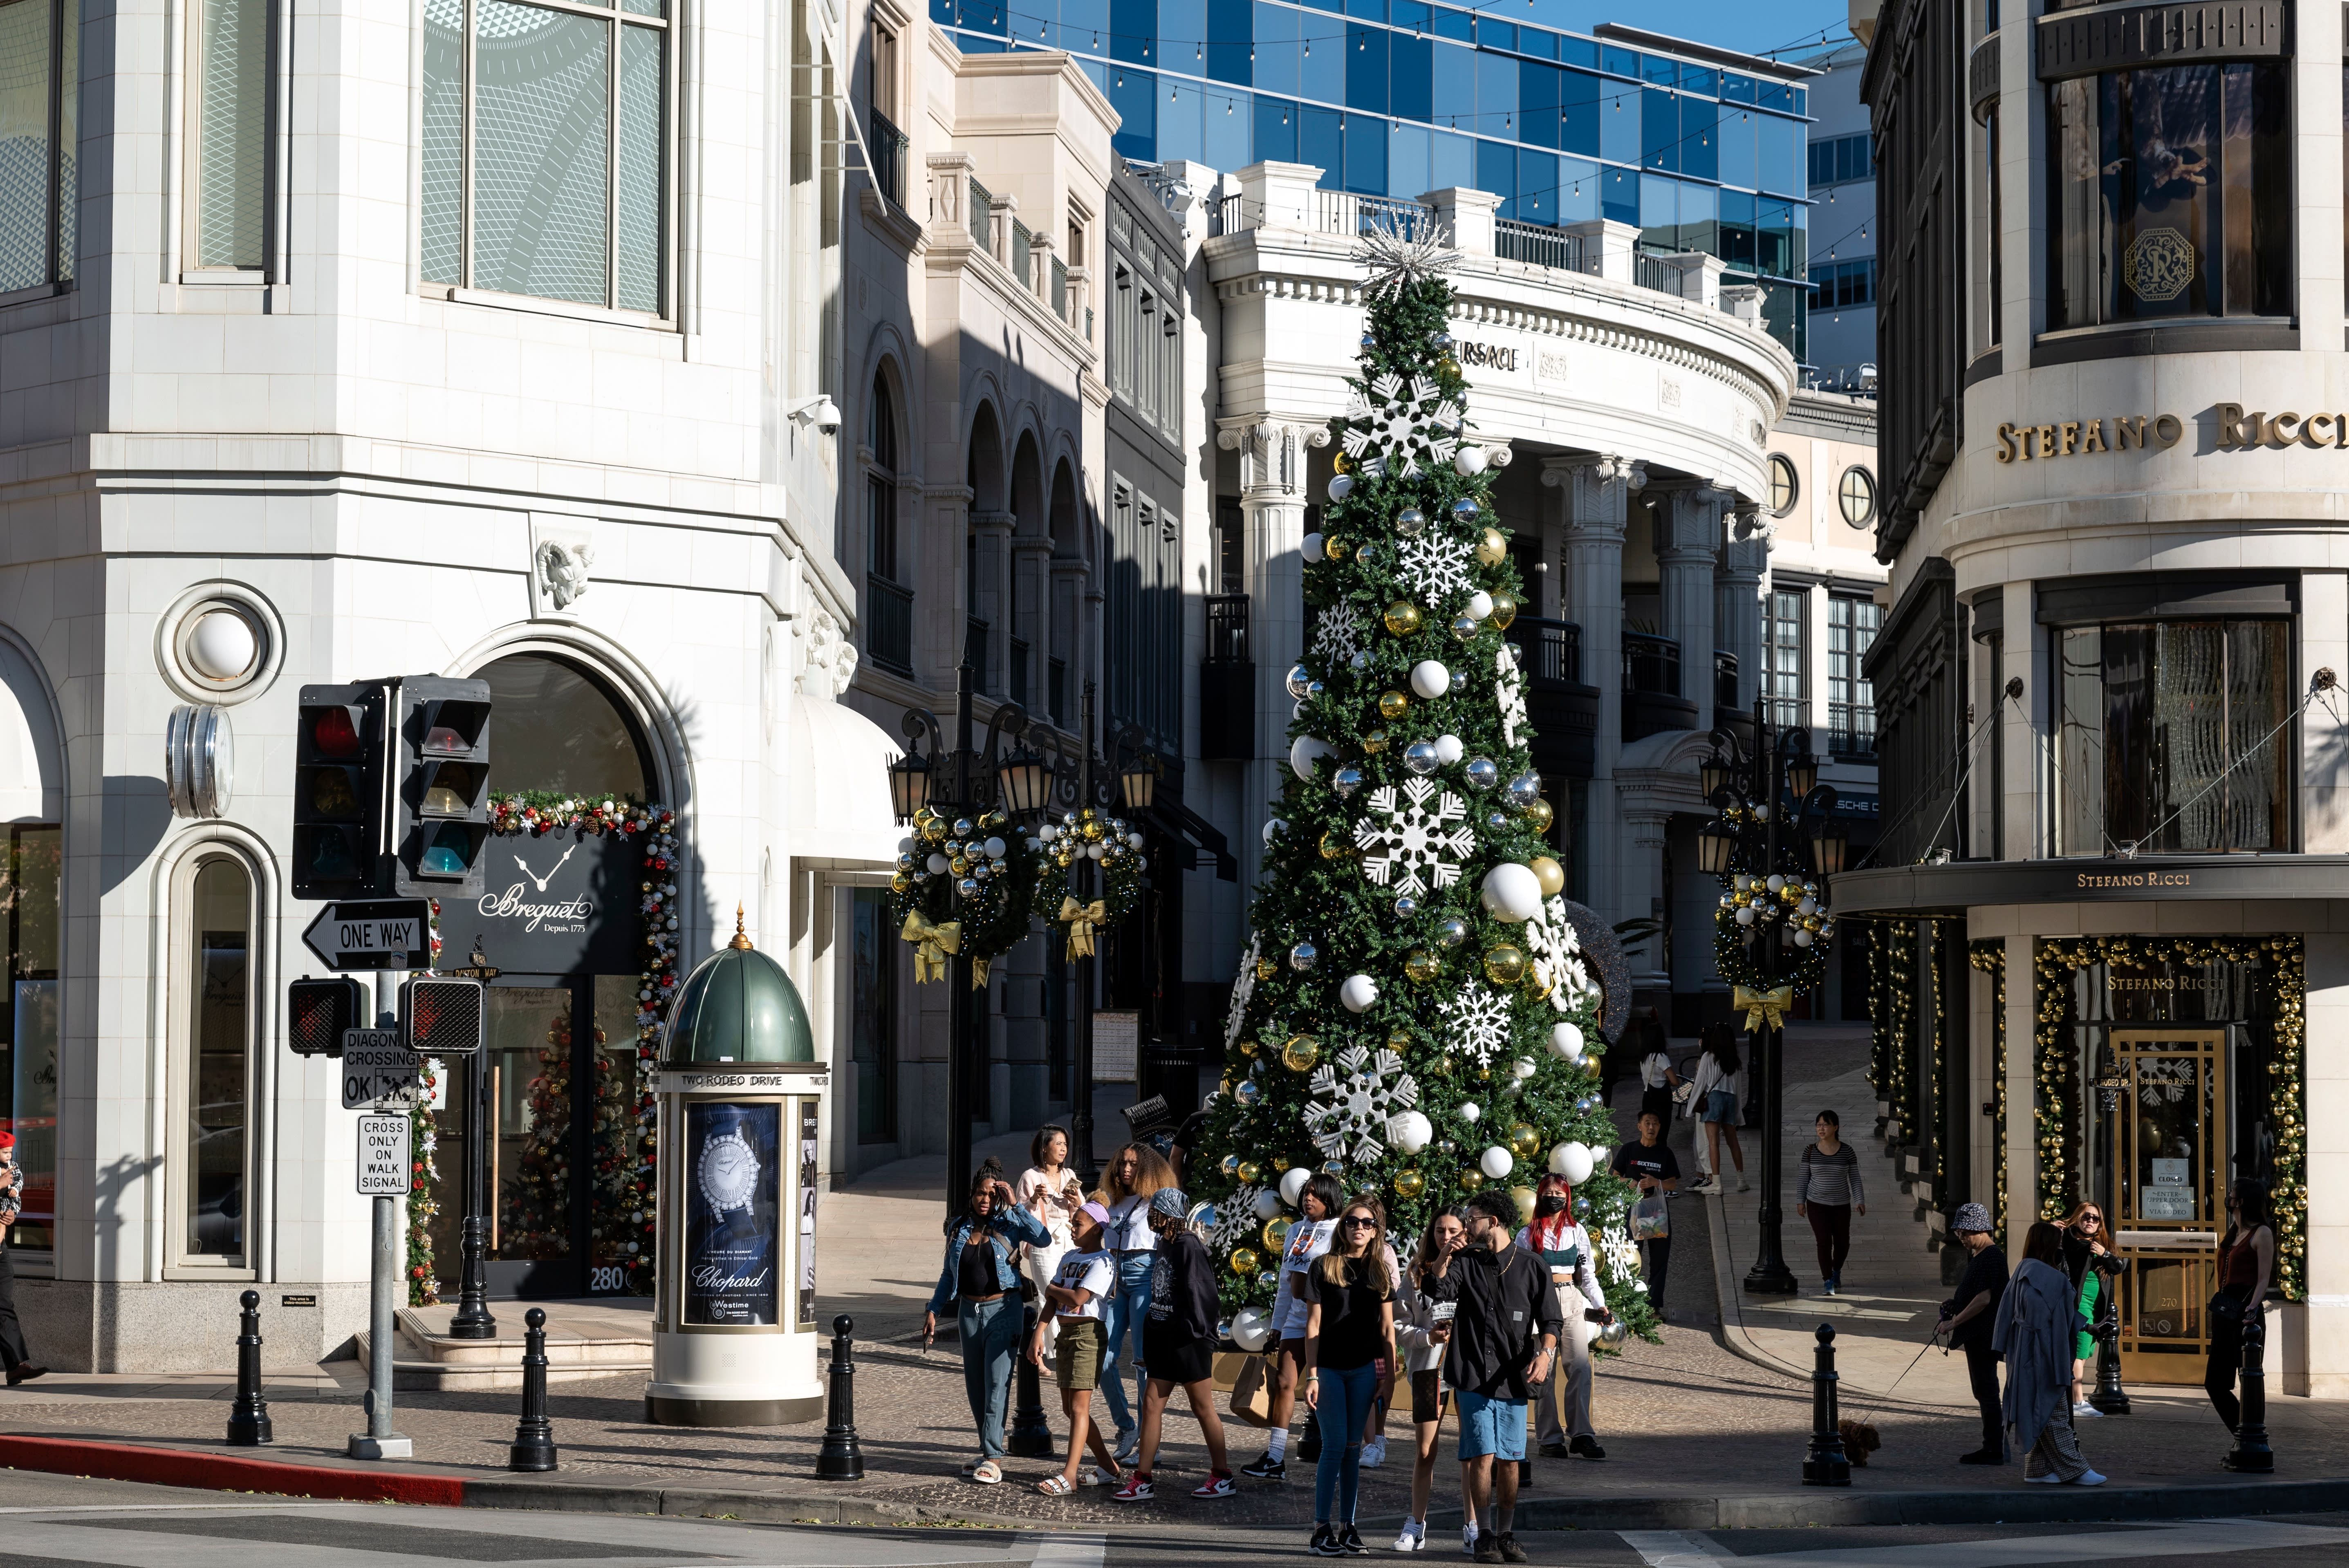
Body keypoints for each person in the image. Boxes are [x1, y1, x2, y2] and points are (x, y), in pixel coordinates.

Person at [1433, 1189, 1561, 1565]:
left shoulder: (1532, 1265)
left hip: (1512, 1376)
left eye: (1472, 1218)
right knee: (1482, 1455)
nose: (1466, 1224)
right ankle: (1483, 1534)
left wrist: (1546, 1353)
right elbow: (1438, 1288)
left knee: (1511, 1459)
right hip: (1473, 1373)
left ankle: (1506, 1533)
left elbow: (1551, 1319)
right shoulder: (1465, 1261)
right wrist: (1445, 1254)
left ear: (1493, 1221)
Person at [923, 1158, 1052, 1483]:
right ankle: (986, 1449)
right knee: (976, 1387)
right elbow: (947, 1274)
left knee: (997, 1384)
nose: (985, 1200)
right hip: (970, 1313)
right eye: (981, 1194)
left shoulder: (1010, 1222)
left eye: (991, 1195)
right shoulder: (958, 1227)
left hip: (1004, 1310)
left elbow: (1043, 1239)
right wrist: (934, 1310)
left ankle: (994, 1457)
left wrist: (1016, 1206)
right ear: (972, 1194)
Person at [1112, 1186, 1235, 1501]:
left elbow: (1204, 1297)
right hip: (1165, 1340)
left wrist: (1201, 1338)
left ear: (1168, 1215)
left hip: (1189, 1341)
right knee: (1152, 1403)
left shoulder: (1188, 1246)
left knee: (1202, 1407)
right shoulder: (1164, 1244)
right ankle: (1143, 1479)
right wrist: (1150, 1345)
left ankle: (1222, 1476)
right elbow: (1160, 1299)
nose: (1150, 1216)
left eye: (1155, 1211)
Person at [1300, 1200, 1396, 1557]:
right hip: (1328, 1369)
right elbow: (1313, 1325)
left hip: (1364, 1369)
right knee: (1335, 1445)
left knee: (1354, 1450)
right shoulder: (1323, 1266)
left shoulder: (1379, 1270)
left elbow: (1388, 1328)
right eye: (1352, 1221)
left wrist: (1390, 1375)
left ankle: (1348, 1526)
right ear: (1343, 1227)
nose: (1359, 1227)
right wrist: (1312, 1376)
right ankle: (1320, 1528)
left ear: (1375, 1230)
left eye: (1367, 1223)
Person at [1243, 1171, 1343, 1480]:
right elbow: (1286, 1283)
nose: (1308, 1199)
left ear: (1329, 1198)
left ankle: (1336, 1453)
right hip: (1296, 1321)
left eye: (1315, 1193)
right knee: (1285, 1383)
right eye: (1306, 1193)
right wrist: (1277, 1325)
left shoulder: (1339, 1230)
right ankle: (1275, 1457)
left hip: (1327, 1322)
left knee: (1326, 1387)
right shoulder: (1295, 1231)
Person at [1994, 1220, 2104, 1485]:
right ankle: (2076, 1469)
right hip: (2046, 1353)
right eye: (2058, 1243)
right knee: (2054, 1411)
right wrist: (2089, 1326)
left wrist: (2002, 1347)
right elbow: (2064, 1319)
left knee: (2037, 1406)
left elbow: (2004, 1312)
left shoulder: (2022, 1270)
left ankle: (2038, 1469)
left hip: (2022, 1352)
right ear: (2049, 1246)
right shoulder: (2055, 1279)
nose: (2061, 1247)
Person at [1034, 1201, 1125, 1494]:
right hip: (1065, 1334)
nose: (1073, 1229)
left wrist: (1052, 1288)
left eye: (1079, 1224)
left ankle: (1069, 1476)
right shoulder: (1070, 1256)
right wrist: (1039, 1333)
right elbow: (1054, 1300)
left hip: (1088, 1335)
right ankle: (1109, 1467)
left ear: (1097, 1228)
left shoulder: (1104, 1261)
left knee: (1078, 1407)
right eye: (1073, 1223)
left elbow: (1078, 1299)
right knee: (1070, 1409)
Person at [1520, 1173, 1611, 1460]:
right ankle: (1549, 1438)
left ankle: (1582, 1434)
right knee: (1543, 1372)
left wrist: (1600, 1304)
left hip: (1570, 1298)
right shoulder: (1527, 1234)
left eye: (1560, 1193)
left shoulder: (1576, 1231)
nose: (1554, 1198)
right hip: (1541, 1304)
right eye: (1549, 1192)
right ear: (1540, 1195)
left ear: (1567, 1197)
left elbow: (1587, 1276)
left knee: (1580, 1368)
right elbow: (1520, 1278)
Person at [1391, 1207, 1466, 1552]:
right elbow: (1399, 1326)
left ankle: (1474, 1526)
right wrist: (1428, 1338)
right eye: (1439, 1230)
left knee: (1473, 1452)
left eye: (1453, 1230)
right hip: (1428, 1371)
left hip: (1469, 1372)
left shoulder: (1474, 1269)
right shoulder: (1416, 1272)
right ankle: (1416, 1525)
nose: (1446, 1237)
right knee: (1425, 1451)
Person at [1097, 1143, 1177, 1463]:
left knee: (1144, 1362)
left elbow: (1170, 1241)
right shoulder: (1110, 1199)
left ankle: (1149, 1442)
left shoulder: (1155, 1201)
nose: (1126, 1170)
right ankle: (1126, 1426)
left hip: (1145, 1274)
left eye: (1132, 1164)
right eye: (1121, 1164)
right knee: (1103, 1356)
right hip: (1114, 1279)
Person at [1937, 1203, 2008, 1465]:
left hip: (1983, 1335)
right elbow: (1975, 1295)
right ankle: (1993, 1446)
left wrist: (1954, 1323)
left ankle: (1993, 1449)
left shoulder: (1991, 1256)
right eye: (1959, 1235)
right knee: (1983, 1389)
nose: (1963, 1239)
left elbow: (1984, 1299)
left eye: (1966, 1234)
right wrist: (1955, 1303)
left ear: (1980, 1230)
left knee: (1986, 1390)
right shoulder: (1982, 1256)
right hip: (1979, 1334)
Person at [2208, 1181, 2276, 1437]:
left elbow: (2263, 1278)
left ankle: (2252, 1438)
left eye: (2233, 1196)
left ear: (2244, 1201)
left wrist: (2252, 1308)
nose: (2229, 1199)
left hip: (2246, 1313)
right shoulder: (2233, 1232)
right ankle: (2245, 1435)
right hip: (2225, 1310)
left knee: (2250, 1380)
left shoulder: (2262, 1234)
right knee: (2215, 1383)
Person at [1019, 1125, 1085, 1368]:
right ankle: (1060, 1355)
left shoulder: (1069, 1175)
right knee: (1050, 1294)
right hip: (1042, 1241)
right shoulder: (1030, 1177)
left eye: (1065, 1144)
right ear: (1044, 1148)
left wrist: (1077, 1201)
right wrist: (1035, 1199)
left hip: (1068, 1240)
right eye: (1058, 1143)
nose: (1063, 1148)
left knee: (1064, 1296)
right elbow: (1020, 1214)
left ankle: (1038, 1354)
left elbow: (1081, 1211)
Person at [1611, 1110, 1679, 1319]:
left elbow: (1673, 1183)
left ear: (1660, 1127)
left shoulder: (1665, 1153)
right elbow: (1613, 1178)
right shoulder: (1629, 1150)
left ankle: (1653, 1307)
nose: (1652, 1128)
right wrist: (1630, 1184)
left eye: (1655, 1124)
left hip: (1656, 1212)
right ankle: (1629, 1305)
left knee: (1659, 1261)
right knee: (1631, 1258)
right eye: (1647, 1123)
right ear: (1640, 1126)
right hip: (1633, 1211)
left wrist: (1656, 1183)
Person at [1795, 1110, 1865, 1295]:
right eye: (1819, 1125)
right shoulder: (1810, 1151)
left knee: (1843, 1243)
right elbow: (1803, 1178)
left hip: (1841, 1205)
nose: (1821, 1128)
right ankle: (1828, 1280)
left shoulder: (1847, 1151)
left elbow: (1855, 1178)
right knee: (1824, 1241)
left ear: (1836, 1127)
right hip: (1816, 1204)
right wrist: (1800, 1201)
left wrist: (1859, 1200)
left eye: (1825, 1125)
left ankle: (1836, 1271)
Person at [2060, 1201, 2113, 1417]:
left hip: (2094, 1307)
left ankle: (2076, 1401)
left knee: (2083, 1352)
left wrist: (2105, 1253)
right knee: (2078, 1354)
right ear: (2077, 1218)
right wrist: (2055, 1229)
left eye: (2096, 1218)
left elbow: (2119, 1267)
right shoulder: (2067, 1240)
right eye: (2086, 1217)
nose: (2091, 1221)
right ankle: (2077, 1402)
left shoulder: (2100, 1245)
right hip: (2078, 1304)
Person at [0, 1129, 43, 1386]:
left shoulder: (12, 1169)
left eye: (9, 1152)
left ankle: (16, 1366)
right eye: (4, 1151)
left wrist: (12, 1215)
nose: (8, 1156)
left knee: (4, 1305)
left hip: (1, 1248)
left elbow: (17, 1194)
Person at [1683, 1024, 1747, 1193]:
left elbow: (1700, 1084)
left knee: (1713, 1143)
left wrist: (1690, 1109)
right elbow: (1739, 1089)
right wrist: (1739, 1114)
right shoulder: (1735, 1061)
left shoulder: (1708, 1057)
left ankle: (1717, 1183)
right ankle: (1741, 1180)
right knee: (1733, 1142)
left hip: (1714, 1100)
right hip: (1731, 1100)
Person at [1634, 1016, 1679, 1126]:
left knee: (1650, 1129)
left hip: (1647, 1097)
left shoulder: (1644, 1057)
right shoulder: (1661, 1057)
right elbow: (1675, 1082)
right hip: (1661, 1099)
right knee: (1662, 1130)